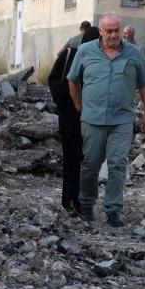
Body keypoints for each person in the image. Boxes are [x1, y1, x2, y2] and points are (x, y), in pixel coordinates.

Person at [66, 14, 145, 227]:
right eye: (109, 31)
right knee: (90, 164)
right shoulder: (85, 52)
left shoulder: (133, 54)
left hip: (121, 120)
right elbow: (72, 80)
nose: (114, 35)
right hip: (92, 119)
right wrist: (79, 106)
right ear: (101, 32)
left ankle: (113, 209)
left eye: (117, 30)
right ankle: (86, 205)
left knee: (117, 164)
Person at [49, 26, 101, 214]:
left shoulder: (102, 61)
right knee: (72, 158)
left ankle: (84, 201)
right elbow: (53, 80)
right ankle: (71, 200)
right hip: (70, 118)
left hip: (94, 119)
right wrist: (70, 100)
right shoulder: (69, 56)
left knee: (89, 160)